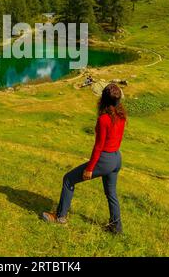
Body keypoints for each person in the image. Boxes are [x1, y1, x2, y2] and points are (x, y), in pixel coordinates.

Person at [42, 83, 127, 234]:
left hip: (105, 159)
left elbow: (99, 147)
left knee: (68, 179)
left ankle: (60, 218)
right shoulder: (121, 115)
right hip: (116, 158)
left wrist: (90, 168)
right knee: (111, 194)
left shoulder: (104, 119)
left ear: (103, 99)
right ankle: (116, 227)